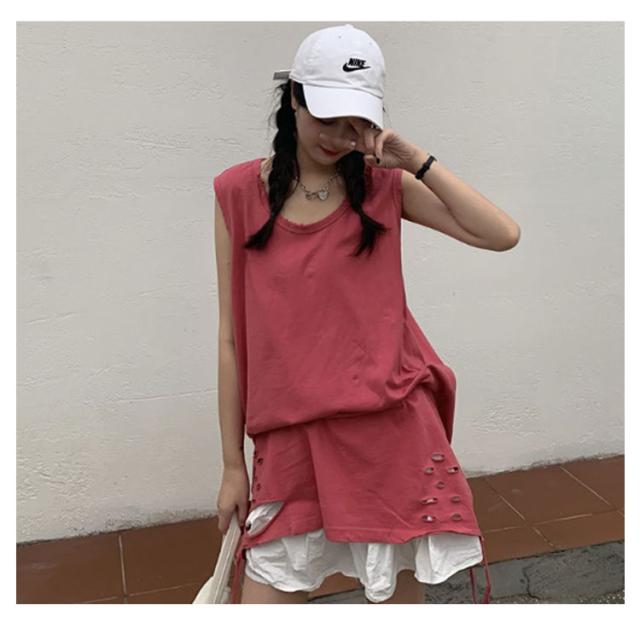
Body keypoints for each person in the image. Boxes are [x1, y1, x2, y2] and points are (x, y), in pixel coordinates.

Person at [213, 24, 520, 605]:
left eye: (357, 122)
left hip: (390, 436)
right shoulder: (237, 193)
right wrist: (233, 465)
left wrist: (414, 159)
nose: (340, 136)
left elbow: (501, 234)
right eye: (328, 117)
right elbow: (231, 340)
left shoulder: (385, 188)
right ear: (294, 97)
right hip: (293, 446)